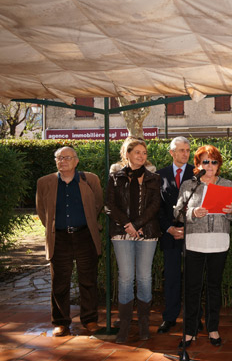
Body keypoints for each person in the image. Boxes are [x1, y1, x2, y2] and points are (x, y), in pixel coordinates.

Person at [174, 145, 232, 348]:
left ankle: (213, 329)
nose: (210, 165)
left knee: (214, 288)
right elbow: (177, 212)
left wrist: (230, 210)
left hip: (219, 242)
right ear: (198, 165)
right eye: (205, 161)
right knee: (192, 288)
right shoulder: (189, 185)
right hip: (195, 242)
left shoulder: (226, 183)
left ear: (218, 165)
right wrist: (193, 213)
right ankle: (189, 331)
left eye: (214, 162)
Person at [36, 147, 104, 337]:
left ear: (76, 161)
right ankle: (61, 323)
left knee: (88, 280)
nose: (62, 161)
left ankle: (90, 320)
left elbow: (97, 204)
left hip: (85, 236)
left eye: (67, 157)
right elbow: (42, 211)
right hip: (59, 238)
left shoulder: (90, 180)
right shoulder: (44, 182)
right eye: (59, 158)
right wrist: (55, 227)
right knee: (59, 282)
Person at [106, 137, 162, 343]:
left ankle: (144, 324)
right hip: (121, 233)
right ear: (127, 154)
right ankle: (125, 324)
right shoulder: (115, 177)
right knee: (126, 277)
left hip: (147, 232)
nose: (141, 156)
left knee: (145, 277)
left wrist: (136, 225)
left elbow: (155, 205)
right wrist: (127, 225)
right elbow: (110, 205)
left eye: (144, 153)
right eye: (137, 152)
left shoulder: (153, 178)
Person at [156, 137, 196, 334]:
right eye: (180, 150)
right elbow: (157, 207)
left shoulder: (198, 173)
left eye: (187, 150)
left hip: (193, 233)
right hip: (170, 234)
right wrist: (169, 228)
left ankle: (194, 317)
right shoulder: (160, 175)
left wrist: (187, 228)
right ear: (171, 152)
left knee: (193, 278)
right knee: (171, 278)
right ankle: (170, 317)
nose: (185, 153)